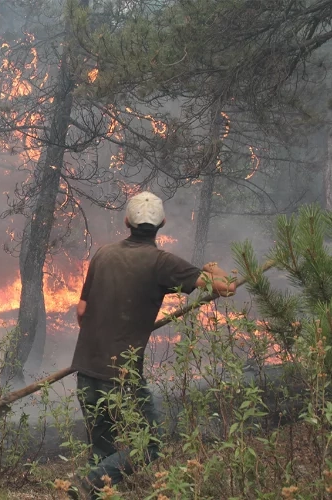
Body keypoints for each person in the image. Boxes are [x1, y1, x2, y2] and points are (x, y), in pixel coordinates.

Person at [67, 191, 235, 499]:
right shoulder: (161, 262)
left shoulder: (102, 255)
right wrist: (213, 268)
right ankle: (91, 482)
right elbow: (227, 288)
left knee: (102, 447)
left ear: (127, 221)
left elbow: (81, 311)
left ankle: (92, 488)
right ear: (162, 224)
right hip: (122, 376)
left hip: (86, 370)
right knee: (149, 445)